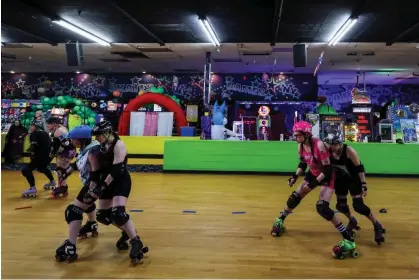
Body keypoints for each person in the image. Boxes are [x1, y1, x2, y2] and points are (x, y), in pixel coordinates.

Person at [271, 121, 356, 255]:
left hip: (327, 176)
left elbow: (328, 169)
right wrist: (295, 176)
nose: (296, 138)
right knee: (295, 197)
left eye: (298, 135)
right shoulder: (300, 146)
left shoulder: (319, 145)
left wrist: (314, 183)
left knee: (322, 207)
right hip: (314, 173)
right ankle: (280, 220)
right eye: (295, 135)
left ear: (307, 134)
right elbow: (303, 163)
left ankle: (348, 239)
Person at [92, 120, 148, 264]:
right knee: (103, 216)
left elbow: (116, 170)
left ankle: (136, 241)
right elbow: (98, 169)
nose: (96, 138)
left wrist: (102, 186)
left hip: (120, 180)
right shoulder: (102, 146)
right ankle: (127, 232)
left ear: (107, 133)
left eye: (98, 135)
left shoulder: (119, 145)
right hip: (107, 181)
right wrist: (93, 187)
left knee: (118, 213)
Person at [325, 135, 385, 246]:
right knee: (341, 206)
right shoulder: (327, 151)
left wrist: (363, 184)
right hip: (340, 180)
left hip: (354, 179)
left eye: (335, 145)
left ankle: (377, 225)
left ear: (340, 143)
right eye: (330, 145)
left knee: (359, 206)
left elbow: (359, 167)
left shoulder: (348, 150)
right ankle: (352, 220)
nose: (332, 147)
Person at [55, 125, 101, 263]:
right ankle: (92, 223)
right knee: (86, 204)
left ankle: (71, 245)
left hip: (96, 184)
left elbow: (96, 173)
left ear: (81, 140)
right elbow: (78, 163)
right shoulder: (87, 148)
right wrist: (66, 172)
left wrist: (92, 191)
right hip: (94, 184)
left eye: (74, 139)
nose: (72, 142)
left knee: (73, 211)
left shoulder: (93, 151)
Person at [21, 120, 55, 198]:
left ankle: (32, 188)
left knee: (26, 170)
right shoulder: (45, 133)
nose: (31, 127)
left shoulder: (34, 134)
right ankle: (52, 182)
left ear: (36, 127)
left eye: (32, 126)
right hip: (47, 157)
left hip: (39, 157)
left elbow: (34, 144)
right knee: (42, 168)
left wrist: (32, 154)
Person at [46, 117, 76, 197]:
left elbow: (66, 143)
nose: (47, 125)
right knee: (60, 169)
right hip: (65, 151)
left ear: (54, 124)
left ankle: (63, 187)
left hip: (67, 152)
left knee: (61, 170)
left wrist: (57, 152)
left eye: (49, 124)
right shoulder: (59, 129)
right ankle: (62, 187)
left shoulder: (60, 131)